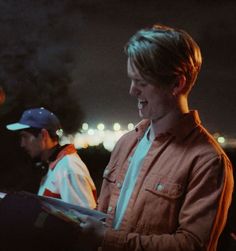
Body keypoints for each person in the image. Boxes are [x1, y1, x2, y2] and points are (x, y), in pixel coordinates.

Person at [75, 24, 234, 251]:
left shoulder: (207, 161)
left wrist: (107, 239)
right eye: (132, 80)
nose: (132, 91)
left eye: (142, 82)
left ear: (176, 84)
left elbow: (192, 245)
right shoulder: (126, 143)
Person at [6, 107, 97, 208]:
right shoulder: (56, 165)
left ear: (43, 135)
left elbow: (84, 218)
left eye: (25, 137)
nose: (22, 144)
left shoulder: (68, 168)